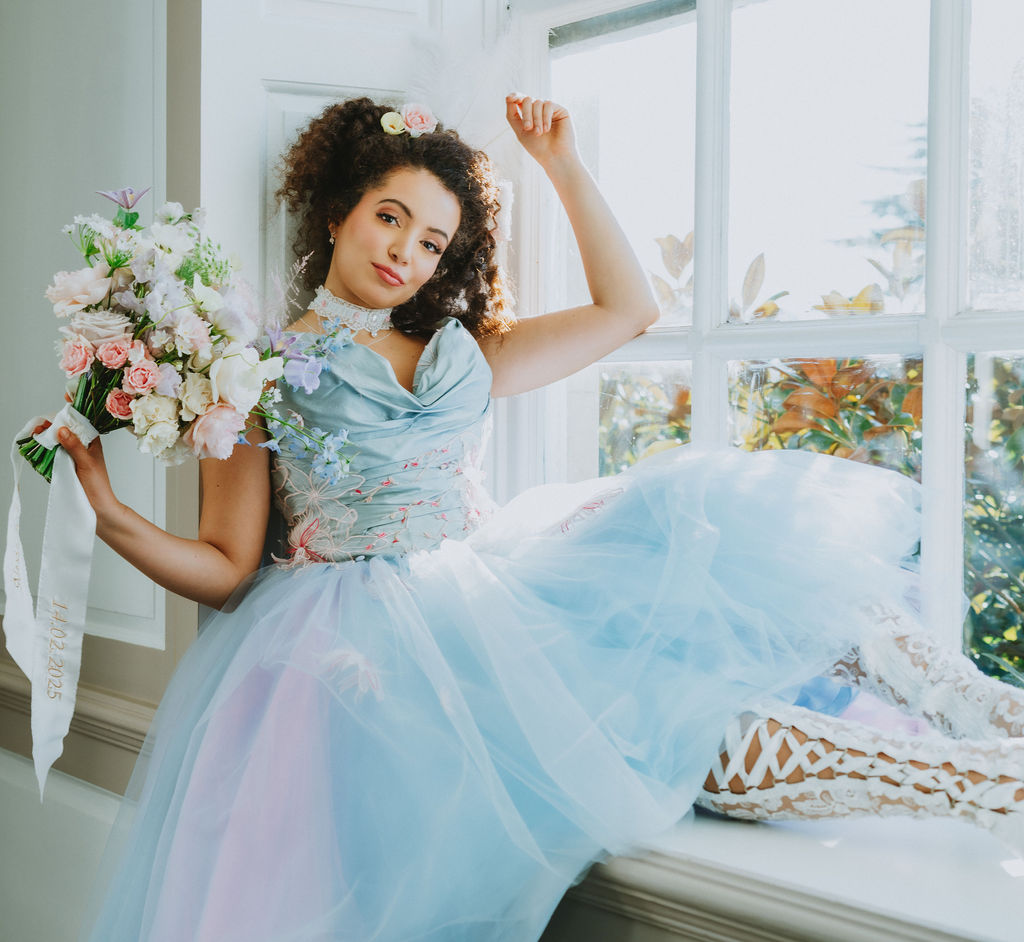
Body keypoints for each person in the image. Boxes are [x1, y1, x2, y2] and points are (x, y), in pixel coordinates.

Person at [53, 94, 1024, 941]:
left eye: (432, 240)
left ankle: (991, 716)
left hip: (489, 579)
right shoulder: (254, 371)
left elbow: (627, 308)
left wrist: (558, 161)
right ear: (340, 207)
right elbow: (226, 565)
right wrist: (110, 512)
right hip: (372, 643)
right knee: (687, 738)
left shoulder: (460, 347)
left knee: (721, 534)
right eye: (391, 218)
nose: (405, 251)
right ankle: (984, 786)